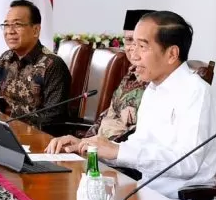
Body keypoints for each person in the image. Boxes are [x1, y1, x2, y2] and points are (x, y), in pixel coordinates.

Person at [70, 11, 216, 200]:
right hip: (146, 195)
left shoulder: (196, 92)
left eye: (142, 46)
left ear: (171, 54)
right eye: (133, 44)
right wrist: (90, 147)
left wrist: (118, 151)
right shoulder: (153, 88)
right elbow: (139, 145)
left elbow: (188, 163)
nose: (133, 55)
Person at [0, 0, 72, 130]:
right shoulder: (6, 59)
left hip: (42, 139)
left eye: (17, 25)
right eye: (6, 25)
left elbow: (54, 116)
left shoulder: (52, 65)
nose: (10, 31)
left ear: (36, 30)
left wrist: (9, 122)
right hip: (10, 133)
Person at [46, 10, 150, 153]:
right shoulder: (130, 75)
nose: (133, 48)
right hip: (99, 153)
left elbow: (132, 139)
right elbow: (107, 117)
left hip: (118, 161)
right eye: (129, 40)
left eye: (141, 43)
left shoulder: (156, 85)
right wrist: (83, 142)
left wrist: (90, 147)